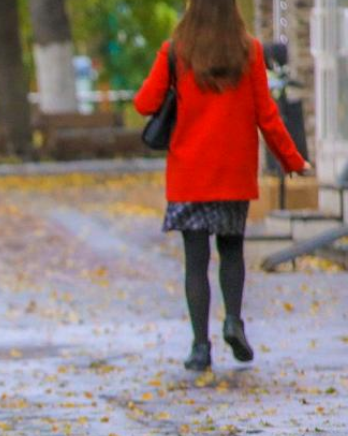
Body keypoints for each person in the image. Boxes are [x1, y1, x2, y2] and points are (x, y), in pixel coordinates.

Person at [133, 0, 310, 372]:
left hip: (189, 175)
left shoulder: (175, 51)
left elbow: (144, 103)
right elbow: (267, 115)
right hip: (232, 174)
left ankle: (200, 347)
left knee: (195, 263)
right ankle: (233, 321)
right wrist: (293, 160)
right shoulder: (250, 52)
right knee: (231, 252)